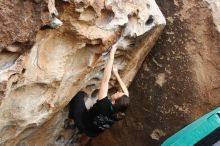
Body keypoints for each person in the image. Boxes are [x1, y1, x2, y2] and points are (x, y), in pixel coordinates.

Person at [67, 45, 130, 139]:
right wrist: (116, 74)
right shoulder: (118, 113)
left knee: (78, 94)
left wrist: (112, 55)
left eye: (117, 94)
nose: (117, 92)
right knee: (91, 111)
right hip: (92, 133)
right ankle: (78, 127)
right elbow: (126, 93)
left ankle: (72, 118)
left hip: (82, 122)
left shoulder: (103, 104)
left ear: (113, 101)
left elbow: (105, 79)